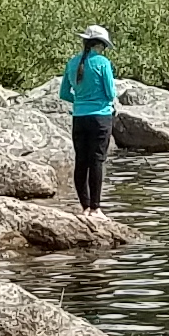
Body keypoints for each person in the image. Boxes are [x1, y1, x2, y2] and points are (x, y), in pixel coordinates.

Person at [59, 23, 119, 211]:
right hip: (101, 117)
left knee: (81, 161)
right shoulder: (103, 63)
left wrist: (79, 100)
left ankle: (85, 207)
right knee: (97, 161)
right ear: (100, 45)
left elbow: (64, 94)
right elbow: (110, 93)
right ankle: (96, 208)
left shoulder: (72, 63)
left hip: (79, 117)